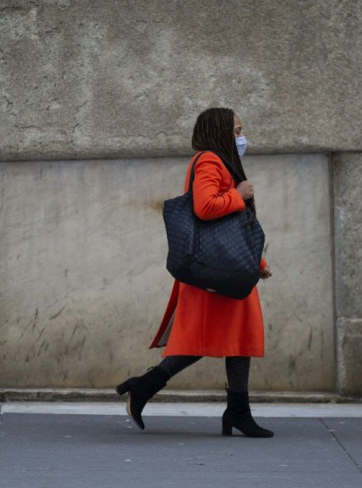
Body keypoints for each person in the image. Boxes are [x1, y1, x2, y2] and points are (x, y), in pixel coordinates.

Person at [116, 107, 273, 438]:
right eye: (236, 131)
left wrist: (256, 263)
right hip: (213, 272)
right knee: (202, 340)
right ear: (218, 131)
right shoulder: (209, 161)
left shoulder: (221, 161)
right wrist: (238, 195)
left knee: (239, 338)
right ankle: (144, 386)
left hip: (228, 269)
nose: (241, 137)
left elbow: (233, 229)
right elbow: (205, 207)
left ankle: (237, 411)